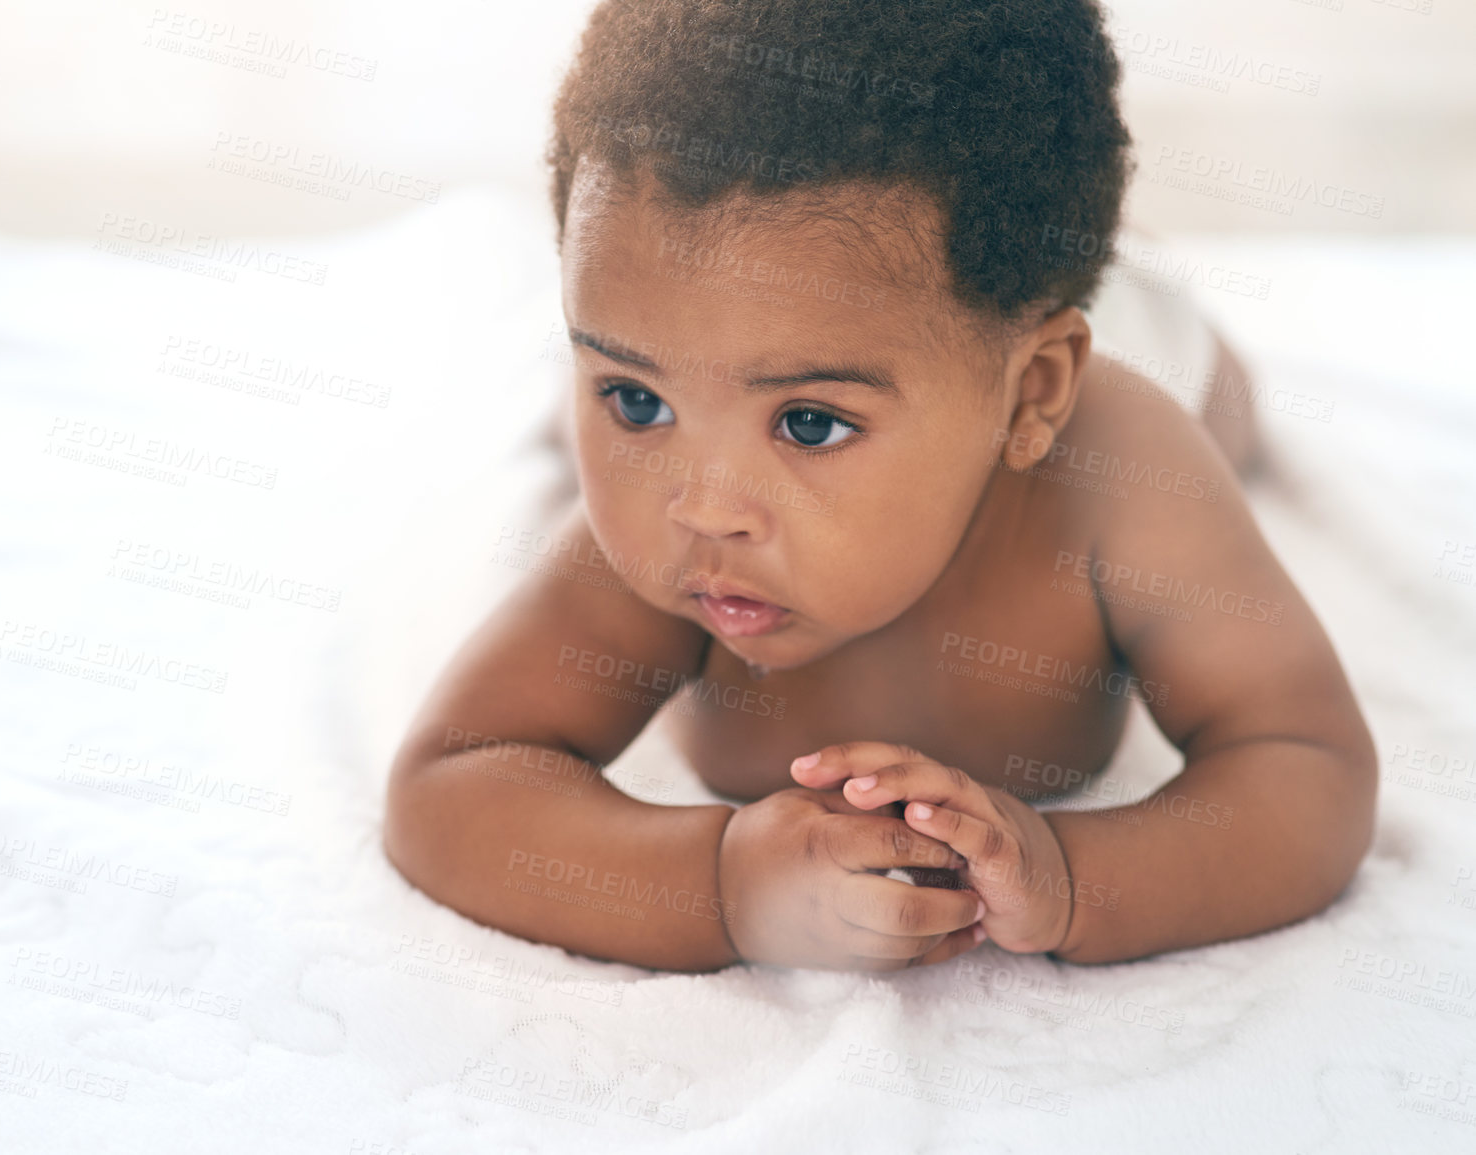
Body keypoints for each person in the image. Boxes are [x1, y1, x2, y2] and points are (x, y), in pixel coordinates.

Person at [383, 0, 1375, 973]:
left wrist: (1074, 876)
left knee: (1211, 393)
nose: (702, 506)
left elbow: (1305, 766)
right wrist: (717, 886)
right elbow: (451, 784)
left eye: (808, 423)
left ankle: (1134, 275)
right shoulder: (670, 536)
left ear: (1033, 393)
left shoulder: (1118, 479)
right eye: (634, 402)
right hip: (953, 330)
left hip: (1122, 343)